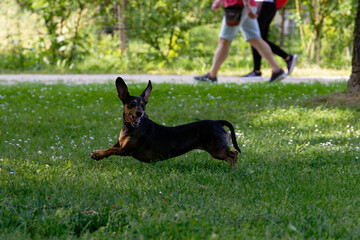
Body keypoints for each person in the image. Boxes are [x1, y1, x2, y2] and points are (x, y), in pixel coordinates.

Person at [194, 0, 287, 83]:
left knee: (224, 40)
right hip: (245, 5)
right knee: (255, 39)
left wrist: (246, 6)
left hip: (239, 6)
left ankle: (212, 75)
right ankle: (277, 70)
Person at [241, 0, 297, 80]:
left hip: (262, 4)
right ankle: (286, 58)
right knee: (259, 38)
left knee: (255, 38)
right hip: (270, 4)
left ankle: (258, 71)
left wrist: (248, 6)